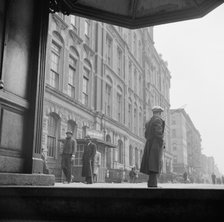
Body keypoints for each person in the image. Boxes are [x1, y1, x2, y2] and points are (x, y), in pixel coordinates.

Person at [140, 105, 165, 188]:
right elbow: (158, 133)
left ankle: (151, 184)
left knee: (151, 165)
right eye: (160, 113)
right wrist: (162, 142)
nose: (160, 115)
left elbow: (146, 134)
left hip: (149, 144)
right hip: (156, 145)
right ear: (158, 113)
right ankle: (153, 185)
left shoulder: (149, 121)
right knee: (155, 164)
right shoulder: (158, 120)